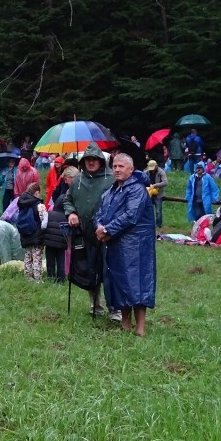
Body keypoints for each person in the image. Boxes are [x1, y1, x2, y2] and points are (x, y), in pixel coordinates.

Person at [95, 154, 156, 336]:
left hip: (136, 246)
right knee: (120, 283)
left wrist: (106, 230)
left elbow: (131, 215)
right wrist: (99, 226)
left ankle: (140, 328)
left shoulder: (137, 190)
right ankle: (125, 323)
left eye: (121, 166)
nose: (117, 169)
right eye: (114, 166)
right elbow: (99, 212)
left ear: (131, 170)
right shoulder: (111, 191)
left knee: (138, 284)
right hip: (116, 244)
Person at [63, 143, 115, 319]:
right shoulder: (78, 180)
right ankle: (95, 305)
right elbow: (67, 200)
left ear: (100, 161)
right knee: (89, 270)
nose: (91, 162)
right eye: (87, 159)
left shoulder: (111, 179)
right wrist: (71, 212)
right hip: (85, 235)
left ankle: (114, 308)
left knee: (109, 271)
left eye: (94, 159)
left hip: (107, 234)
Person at [16, 183, 48, 282]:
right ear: (37, 192)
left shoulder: (22, 203)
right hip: (36, 234)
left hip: (25, 233)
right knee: (37, 257)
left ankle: (28, 277)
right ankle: (38, 279)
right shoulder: (39, 205)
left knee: (28, 256)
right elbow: (44, 221)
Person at [145, 160, 168, 228]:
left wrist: (155, 185)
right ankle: (149, 224)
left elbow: (165, 182)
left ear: (156, 166)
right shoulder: (146, 172)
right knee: (148, 210)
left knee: (158, 211)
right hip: (149, 193)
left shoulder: (161, 172)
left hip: (158, 194)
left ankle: (158, 225)